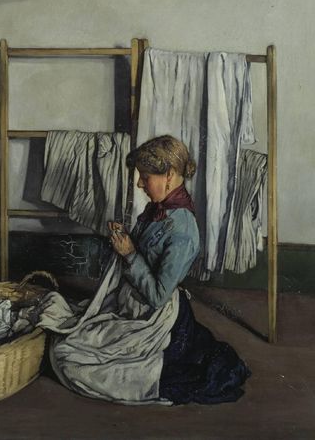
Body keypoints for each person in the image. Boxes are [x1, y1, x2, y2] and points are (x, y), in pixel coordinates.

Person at [31, 135, 250, 404]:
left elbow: (157, 296)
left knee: (70, 360)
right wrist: (125, 239)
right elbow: (143, 254)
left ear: (169, 175)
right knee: (65, 343)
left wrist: (130, 253)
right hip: (130, 306)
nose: (139, 184)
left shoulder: (183, 230)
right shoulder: (157, 210)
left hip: (154, 321)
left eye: (145, 177)